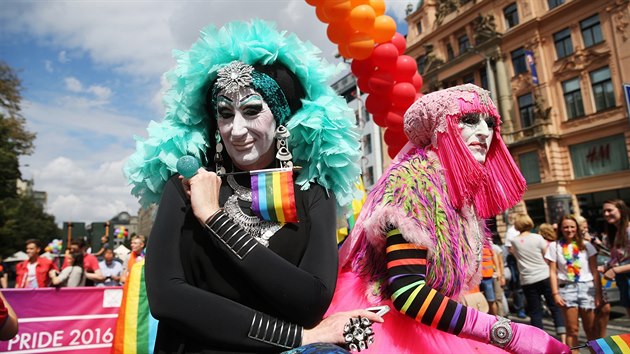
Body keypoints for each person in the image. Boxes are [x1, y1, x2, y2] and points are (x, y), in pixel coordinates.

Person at [124, 20, 381, 353]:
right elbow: (167, 298)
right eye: (225, 114)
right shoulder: (185, 187)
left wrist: (215, 219)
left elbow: (309, 301)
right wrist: (299, 338)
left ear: (280, 117)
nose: (237, 129)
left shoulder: (313, 190)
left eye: (251, 111)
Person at [327, 84, 570, 353]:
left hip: (433, 324)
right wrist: (506, 333)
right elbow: (407, 292)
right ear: (439, 128)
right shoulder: (414, 183)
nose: (483, 131)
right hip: (387, 327)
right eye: (468, 120)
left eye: (489, 123)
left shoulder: (458, 192)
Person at [546, 214, 601, 351]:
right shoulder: (554, 246)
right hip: (567, 288)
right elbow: (552, 272)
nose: (569, 230)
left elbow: (594, 271)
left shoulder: (587, 245)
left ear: (577, 228)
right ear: (560, 229)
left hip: (587, 288)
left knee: (591, 329)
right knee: (572, 329)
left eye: (572, 227)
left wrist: (598, 294)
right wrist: (555, 293)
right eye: (565, 227)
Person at [509, 213, 565, 343]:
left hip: (527, 279)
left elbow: (516, 255)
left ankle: (539, 340)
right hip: (544, 275)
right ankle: (562, 336)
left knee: (535, 310)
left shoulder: (514, 241)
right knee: (554, 306)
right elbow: (547, 256)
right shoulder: (538, 237)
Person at [601, 199, 630, 317]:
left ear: (621, 211)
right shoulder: (616, 232)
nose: (606, 214)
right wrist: (607, 266)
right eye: (604, 211)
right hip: (623, 278)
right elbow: (620, 257)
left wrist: (615, 270)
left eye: (610, 210)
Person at [504, 214, 527, 318]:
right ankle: (519, 308)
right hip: (515, 260)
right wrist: (520, 257)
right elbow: (510, 248)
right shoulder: (511, 231)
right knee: (517, 285)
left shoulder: (527, 232)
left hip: (525, 260)